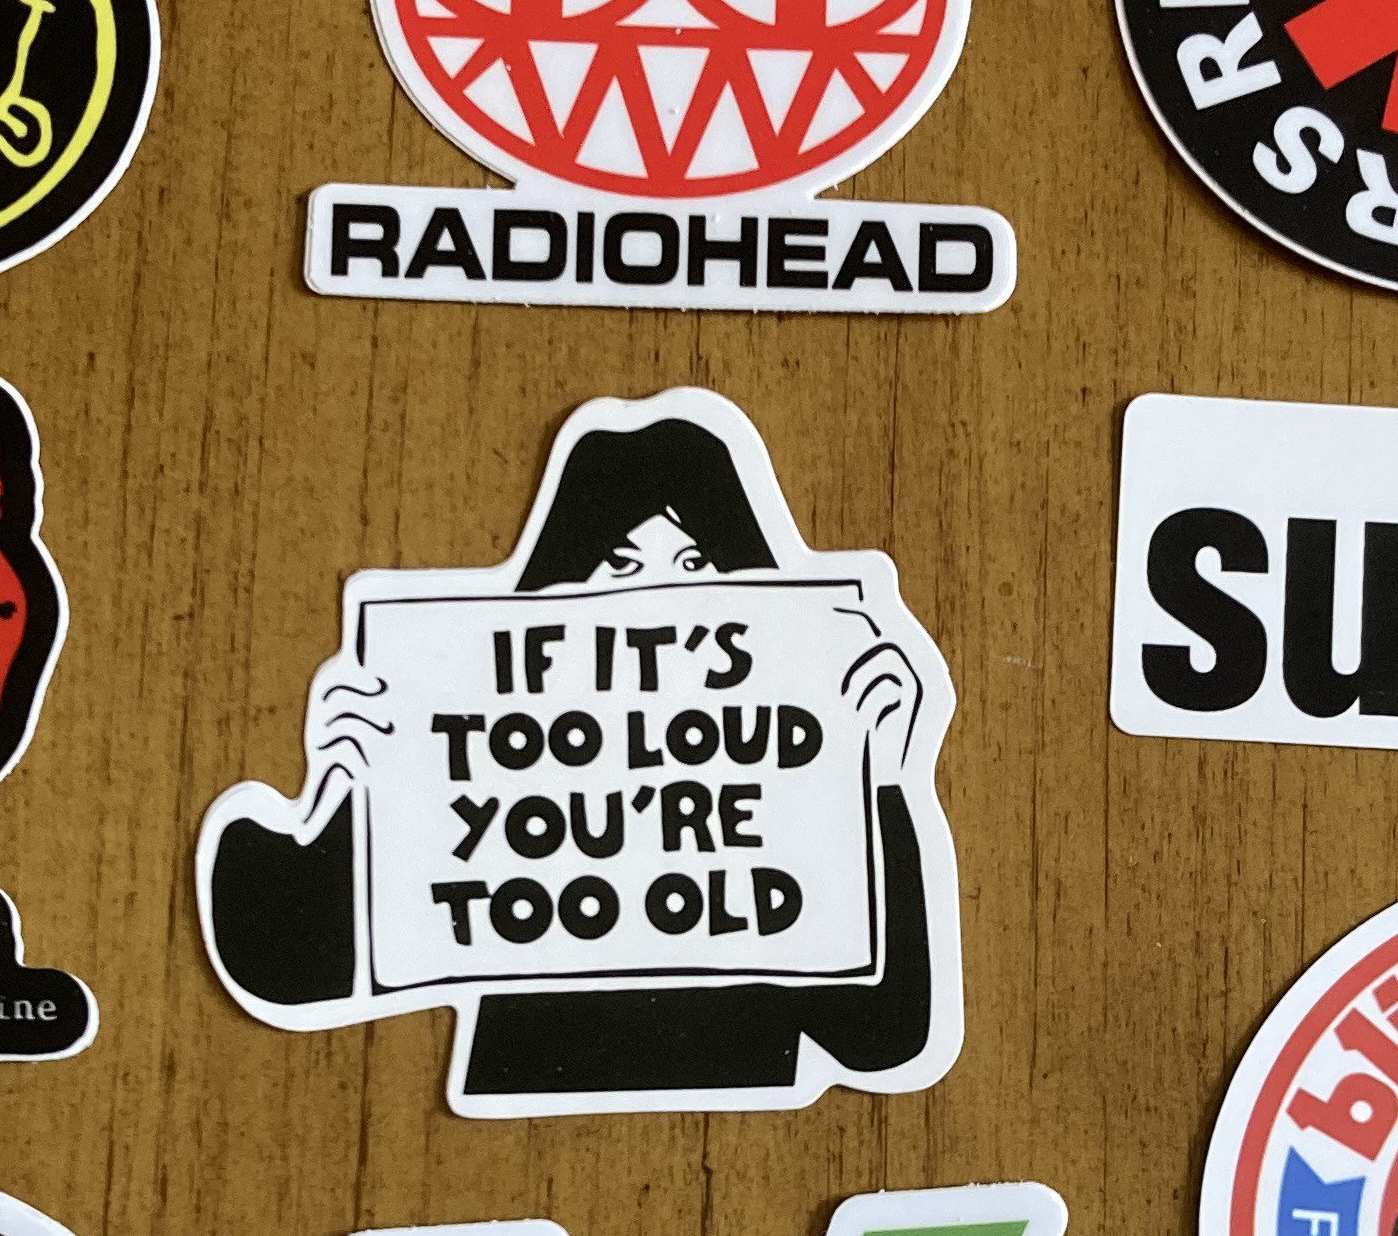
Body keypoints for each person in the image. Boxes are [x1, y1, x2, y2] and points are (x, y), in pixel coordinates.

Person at [205, 411, 941, 1105]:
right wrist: (350, 794)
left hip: (746, 1131)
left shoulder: (796, 800)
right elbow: (296, 973)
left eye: (694, 563)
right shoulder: (469, 768)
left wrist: (878, 777)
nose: (654, 599)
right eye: (618, 565)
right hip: (498, 1142)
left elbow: (885, 1038)